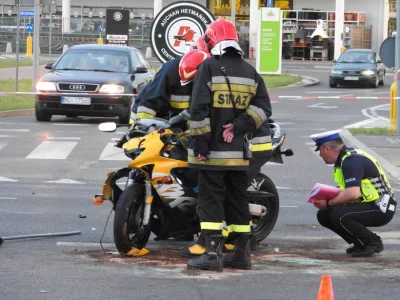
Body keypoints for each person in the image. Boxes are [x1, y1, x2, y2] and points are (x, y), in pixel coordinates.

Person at [186, 17, 272, 271]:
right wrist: (239, 125)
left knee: (211, 200)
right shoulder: (250, 71)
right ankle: (241, 254)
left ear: (211, 41)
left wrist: (200, 143)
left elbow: (198, 109)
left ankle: (212, 254)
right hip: (240, 153)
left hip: (213, 152)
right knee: (237, 199)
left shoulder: (209, 67)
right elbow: (263, 108)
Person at [310, 130, 397, 257]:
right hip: (370, 204)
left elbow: (352, 194)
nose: (320, 155)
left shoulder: (351, 161)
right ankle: (361, 242)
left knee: (338, 215)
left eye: (320, 151)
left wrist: (328, 202)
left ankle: (372, 242)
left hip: (380, 208)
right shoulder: (346, 158)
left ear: (326, 148)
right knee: (324, 215)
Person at [131, 35, 208, 122]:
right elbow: (149, 104)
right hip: (147, 118)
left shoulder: (208, 77)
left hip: (174, 123)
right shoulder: (172, 70)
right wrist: (144, 127)